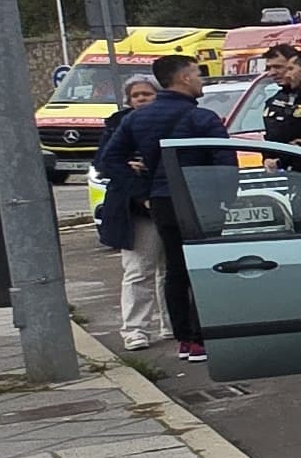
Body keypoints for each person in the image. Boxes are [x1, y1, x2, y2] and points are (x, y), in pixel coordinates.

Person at [95, 59, 224, 359]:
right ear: (182, 77)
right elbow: (223, 160)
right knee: (200, 269)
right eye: (196, 74)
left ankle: (183, 339)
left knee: (175, 270)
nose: (200, 80)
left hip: (162, 201)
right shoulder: (203, 118)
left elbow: (109, 159)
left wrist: (144, 192)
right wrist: (225, 199)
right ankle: (200, 336)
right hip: (198, 199)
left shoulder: (135, 120)